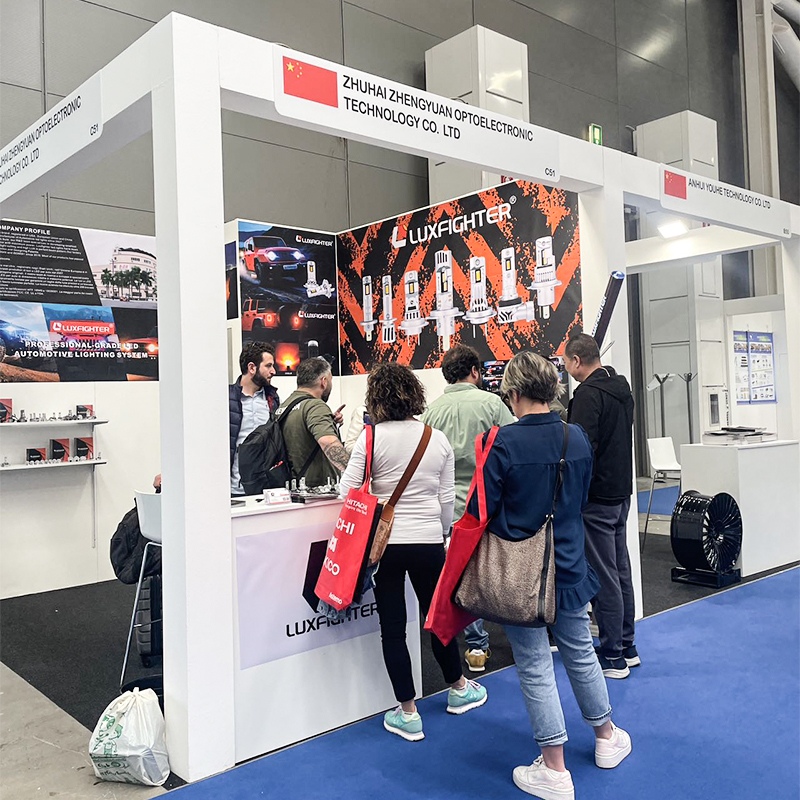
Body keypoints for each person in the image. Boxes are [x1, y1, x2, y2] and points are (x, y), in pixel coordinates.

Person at [471, 351, 631, 799]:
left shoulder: (501, 442)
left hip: (519, 572)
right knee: (580, 652)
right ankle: (606, 736)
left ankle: (555, 768)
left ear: (513, 392)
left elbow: (482, 508)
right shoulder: (574, 436)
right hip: (570, 564)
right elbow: (582, 496)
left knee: (535, 664)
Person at [339, 362, 487, 742]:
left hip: (384, 547)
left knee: (393, 628)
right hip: (428, 541)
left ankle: (407, 712)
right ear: (414, 394)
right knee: (437, 619)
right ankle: (458, 688)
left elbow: (347, 491)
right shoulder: (435, 439)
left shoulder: (370, 439)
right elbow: (445, 500)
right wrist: (440, 533)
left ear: (376, 397)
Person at [421, 344, 514, 673]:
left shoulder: (431, 412)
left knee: (463, 576)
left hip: (450, 507)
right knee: (504, 571)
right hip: (492, 503)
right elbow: (513, 445)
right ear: (475, 371)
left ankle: (476, 647)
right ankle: (521, 637)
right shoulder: (492, 404)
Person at [565, 332, 638, 679]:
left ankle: (612, 655)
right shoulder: (621, 388)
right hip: (621, 492)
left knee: (605, 574)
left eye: (566, 362)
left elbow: (581, 448)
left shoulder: (587, 395)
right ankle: (626, 644)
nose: (566, 368)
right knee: (619, 569)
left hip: (596, 497)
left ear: (577, 360)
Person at [276, 357, 347, 487]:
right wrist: (353, 471)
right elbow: (328, 442)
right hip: (317, 490)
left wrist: (330, 422)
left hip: (293, 487)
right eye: (330, 380)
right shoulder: (315, 406)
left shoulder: (284, 407)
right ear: (323, 382)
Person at [229, 342, 280, 497]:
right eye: (268, 366)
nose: (273, 371)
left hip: (267, 489)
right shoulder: (227, 399)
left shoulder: (272, 398)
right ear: (252, 368)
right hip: (234, 489)